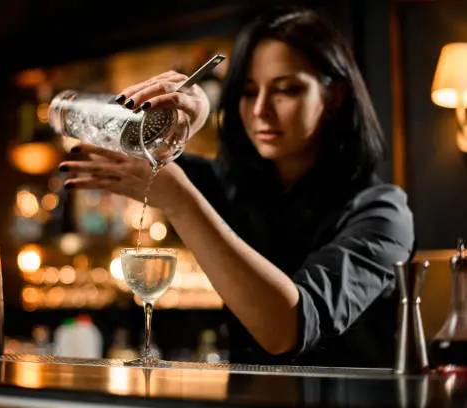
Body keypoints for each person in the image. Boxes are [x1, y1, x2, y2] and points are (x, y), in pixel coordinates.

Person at [58, 5, 414, 367]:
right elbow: (107, 143)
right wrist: (179, 124)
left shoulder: (382, 213)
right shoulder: (229, 185)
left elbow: (287, 330)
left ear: (334, 96)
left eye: (286, 90)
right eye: (247, 91)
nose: (260, 109)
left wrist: (182, 202)